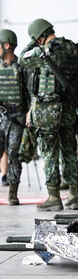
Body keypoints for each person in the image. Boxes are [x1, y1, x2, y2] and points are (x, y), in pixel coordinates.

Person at [19, 19, 78, 211]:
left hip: (48, 111)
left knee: (49, 152)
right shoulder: (73, 48)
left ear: (39, 36)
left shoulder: (44, 52)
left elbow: (23, 59)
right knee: (70, 151)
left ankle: (54, 197)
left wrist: (33, 42)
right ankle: (74, 196)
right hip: (69, 108)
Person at [0, 29, 29, 205]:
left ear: (7, 45)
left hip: (16, 119)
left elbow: (30, 94)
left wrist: (29, 114)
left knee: (14, 155)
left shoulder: (22, 68)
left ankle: (13, 192)